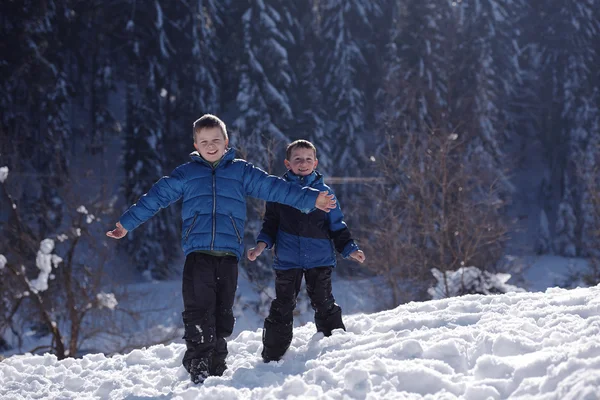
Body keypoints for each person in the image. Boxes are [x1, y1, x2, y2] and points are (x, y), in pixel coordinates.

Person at [106, 115, 337, 384]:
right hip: (198, 253)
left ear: (226, 142)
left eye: (216, 140)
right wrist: (126, 223)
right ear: (195, 144)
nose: (211, 145)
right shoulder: (187, 174)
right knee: (198, 310)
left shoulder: (241, 171)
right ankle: (198, 362)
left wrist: (311, 199)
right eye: (204, 141)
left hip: (228, 255)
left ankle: (216, 360)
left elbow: (275, 188)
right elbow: (156, 197)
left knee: (222, 314)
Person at [247, 139, 366, 363]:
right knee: (283, 305)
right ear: (287, 163)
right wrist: (261, 244)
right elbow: (270, 224)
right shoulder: (279, 193)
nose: (303, 163)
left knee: (323, 301)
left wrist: (350, 248)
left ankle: (335, 346)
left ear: (316, 162)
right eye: (298, 159)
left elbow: (337, 226)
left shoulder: (325, 193)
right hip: (288, 259)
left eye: (308, 159)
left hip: (319, 258)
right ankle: (273, 355)